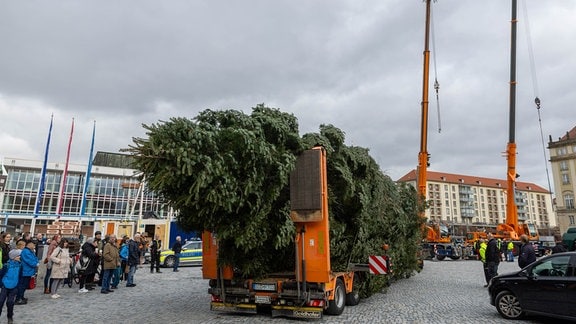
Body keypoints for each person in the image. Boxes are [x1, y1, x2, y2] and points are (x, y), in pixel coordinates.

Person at [0, 249, 22, 324]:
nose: (20, 257)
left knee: (10, 302)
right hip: (5, 286)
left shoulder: (20, 266)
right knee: (0, 302)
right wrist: (2, 284)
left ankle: (10, 317)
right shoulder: (6, 265)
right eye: (18, 256)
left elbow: (20, 276)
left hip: (14, 286)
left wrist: (18, 285)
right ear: (13, 257)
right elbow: (1, 275)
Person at [16, 240, 38, 305]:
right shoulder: (26, 251)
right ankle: (18, 298)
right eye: (33, 245)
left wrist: (36, 262)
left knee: (24, 285)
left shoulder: (30, 251)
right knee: (22, 285)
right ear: (30, 244)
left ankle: (21, 297)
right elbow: (29, 260)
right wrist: (35, 264)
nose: (34, 246)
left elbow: (35, 258)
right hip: (25, 271)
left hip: (28, 271)